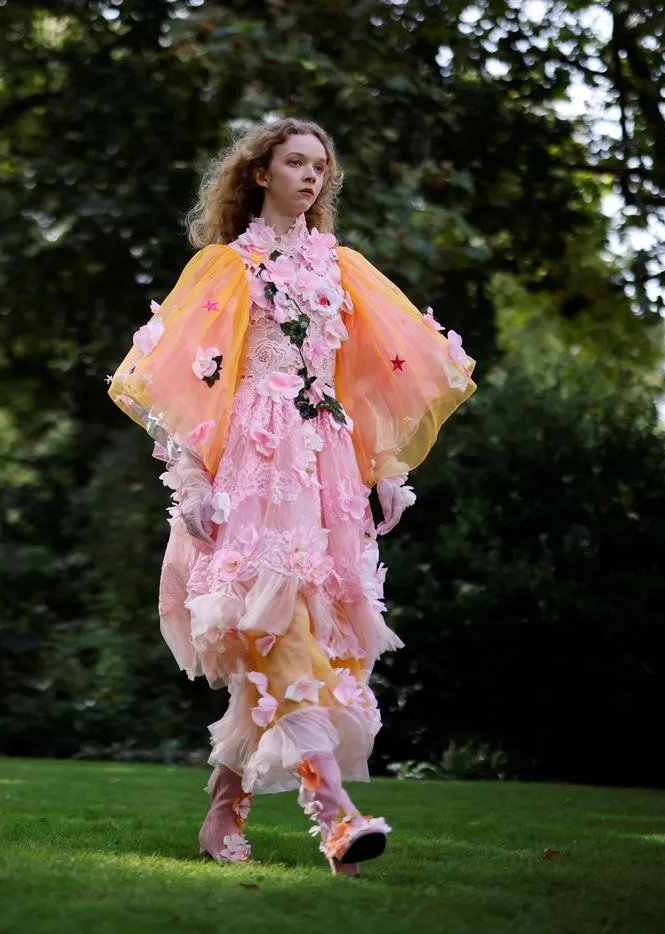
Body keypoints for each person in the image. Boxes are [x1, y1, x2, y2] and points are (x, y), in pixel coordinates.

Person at [106, 118, 476, 877]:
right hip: (251, 459)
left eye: (321, 167)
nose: (313, 177)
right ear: (261, 173)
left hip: (323, 465)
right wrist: (194, 481)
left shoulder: (340, 267)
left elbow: (369, 379)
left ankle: (222, 814)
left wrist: (385, 473)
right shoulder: (225, 267)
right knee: (276, 628)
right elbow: (182, 381)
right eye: (296, 163)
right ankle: (336, 817)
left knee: (316, 638)